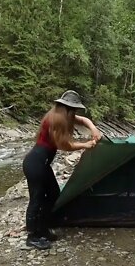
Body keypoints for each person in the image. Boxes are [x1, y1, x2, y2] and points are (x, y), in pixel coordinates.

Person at [23, 90, 102, 250]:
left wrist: (93, 129)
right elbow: (63, 145)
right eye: (73, 109)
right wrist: (85, 145)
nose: (75, 112)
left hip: (43, 164)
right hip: (35, 164)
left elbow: (84, 120)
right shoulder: (56, 119)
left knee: (53, 194)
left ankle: (42, 228)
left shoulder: (65, 115)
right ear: (67, 107)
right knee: (36, 199)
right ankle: (32, 236)